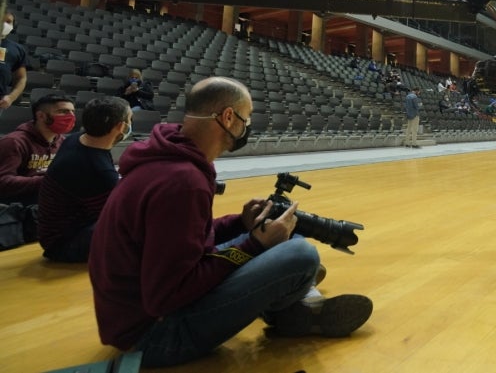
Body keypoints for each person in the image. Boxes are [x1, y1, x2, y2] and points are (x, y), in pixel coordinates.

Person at [89, 77, 372, 368]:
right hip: (153, 336)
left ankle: (289, 304)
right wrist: (255, 245)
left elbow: (189, 240)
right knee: (301, 254)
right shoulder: (183, 182)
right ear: (227, 117)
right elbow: (165, 297)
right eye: (245, 119)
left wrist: (241, 223)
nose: (246, 126)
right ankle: (290, 304)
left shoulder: (169, 158)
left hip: (134, 315)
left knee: (288, 239)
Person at [38, 96, 132, 263]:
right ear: (120, 126)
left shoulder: (76, 139)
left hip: (53, 231)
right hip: (64, 244)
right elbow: (115, 217)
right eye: (130, 119)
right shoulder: (98, 171)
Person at [0, 93, 75, 250]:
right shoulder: (14, 142)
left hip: (44, 206)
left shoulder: (63, 141)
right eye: (63, 112)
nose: (70, 116)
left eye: (72, 111)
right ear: (40, 115)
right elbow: (3, 182)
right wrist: (49, 181)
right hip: (16, 211)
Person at [0, 10, 27, 118]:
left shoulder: (17, 49)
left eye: (8, 22)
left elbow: (21, 78)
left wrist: (11, 97)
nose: (4, 24)